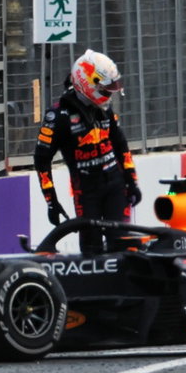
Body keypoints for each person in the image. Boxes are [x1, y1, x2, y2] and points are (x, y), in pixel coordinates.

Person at [33, 49, 140, 253]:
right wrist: (51, 201)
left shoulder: (104, 108)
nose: (109, 94)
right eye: (105, 89)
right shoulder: (58, 117)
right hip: (86, 191)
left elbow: (121, 145)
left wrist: (131, 180)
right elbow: (41, 160)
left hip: (115, 185)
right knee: (91, 250)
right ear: (88, 83)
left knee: (123, 244)